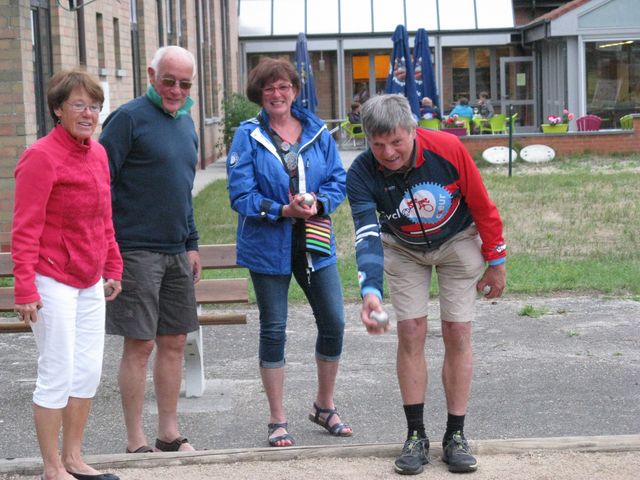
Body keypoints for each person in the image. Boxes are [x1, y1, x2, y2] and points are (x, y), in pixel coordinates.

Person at [346, 94, 506, 475]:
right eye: (378, 144)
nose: (388, 152)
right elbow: (367, 235)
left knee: (457, 332)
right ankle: (415, 435)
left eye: (396, 141)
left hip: (457, 241)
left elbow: (482, 204)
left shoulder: (448, 148)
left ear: (413, 130)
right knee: (411, 331)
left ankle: (456, 435)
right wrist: (370, 291)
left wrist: (496, 261)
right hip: (401, 247)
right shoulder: (361, 173)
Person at [226, 57, 352, 447]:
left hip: (314, 239)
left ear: (295, 90)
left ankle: (324, 406)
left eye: (284, 86)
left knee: (334, 322)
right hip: (268, 244)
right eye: (269, 88)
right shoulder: (247, 136)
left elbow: (338, 180)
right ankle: (277, 419)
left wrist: (317, 201)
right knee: (275, 328)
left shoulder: (318, 131)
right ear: (259, 95)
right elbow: (240, 194)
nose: (277, 94)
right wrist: (281, 209)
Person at [11, 69, 123, 480]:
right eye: (78, 105)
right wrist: (24, 287)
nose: (88, 113)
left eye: (94, 106)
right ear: (58, 109)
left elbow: (104, 218)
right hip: (50, 278)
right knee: (56, 371)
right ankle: (52, 467)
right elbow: (24, 228)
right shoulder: (40, 156)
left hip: (90, 279)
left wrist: (113, 265)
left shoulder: (97, 153)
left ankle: (74, 458)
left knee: (88, 370)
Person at [99, 45, 201, 454]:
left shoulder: (186, 123)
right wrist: (110, 250)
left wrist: (192, 243)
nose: (176, 90)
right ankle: (135, 438)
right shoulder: (127, 120)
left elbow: (183, 190)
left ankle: (168, 432)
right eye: (169, 81)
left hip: (177, 250)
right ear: (151, 74)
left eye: (185, 84)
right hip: (135, 251)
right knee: (139, 345)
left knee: (174, 341)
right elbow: (100, 185)